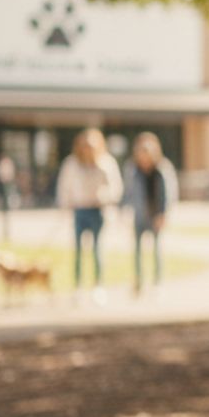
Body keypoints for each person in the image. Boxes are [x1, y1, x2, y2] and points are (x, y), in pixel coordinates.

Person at [56, 128, 123, 302]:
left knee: (97, 249)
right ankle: (78, 286)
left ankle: (98, 285)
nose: (87, 149)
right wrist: (64, 207)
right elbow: (64, 187)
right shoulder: (71, 164)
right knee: (78, 250)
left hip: (97, 209)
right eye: (85, 146)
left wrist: (105, 196)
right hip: (79, 209)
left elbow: (116, 188)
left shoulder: (106, 163)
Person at [124, 132, 177, 294]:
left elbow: (169, 192)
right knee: (137, 251)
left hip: (156, 214)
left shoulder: (162, 168)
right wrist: (124, 212)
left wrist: (164, 214)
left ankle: (157, 282)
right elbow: (128, 192)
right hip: (139, 214)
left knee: (156, 250)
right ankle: (138, 281)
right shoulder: (133, 169)